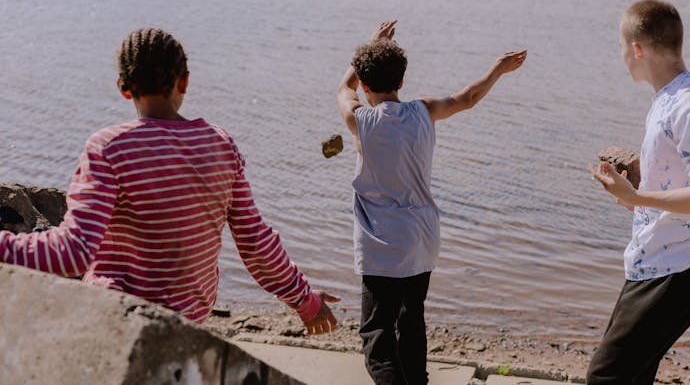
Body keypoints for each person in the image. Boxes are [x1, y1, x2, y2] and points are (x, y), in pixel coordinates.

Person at [0, 28, 339, 334]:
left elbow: (71, 254)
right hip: (185, 327)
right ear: (185, 82)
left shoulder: (109, 148)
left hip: (115, 322)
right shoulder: (220, 145)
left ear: (123, 87)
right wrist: (304, 300)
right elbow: (255, 243)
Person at [336, 20, 527, 384]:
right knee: (411, 323)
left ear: (365, 84)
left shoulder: (360, 121)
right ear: (402, 82)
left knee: (377, 337)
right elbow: (467, 98)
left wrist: (363, 53)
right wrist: (497, 69)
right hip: (422, 240)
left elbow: (342, 88)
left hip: (382, 247)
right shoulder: (423, 111)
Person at [587, 0, 690, 383]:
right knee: (632, 375)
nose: (622, 56)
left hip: (683, 267)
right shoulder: (668, 99)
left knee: (606, 377)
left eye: (622, 47)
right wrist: (637, 186)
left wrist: (636, 197)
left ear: (637, 48)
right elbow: (683, 184)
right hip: (657, 259)